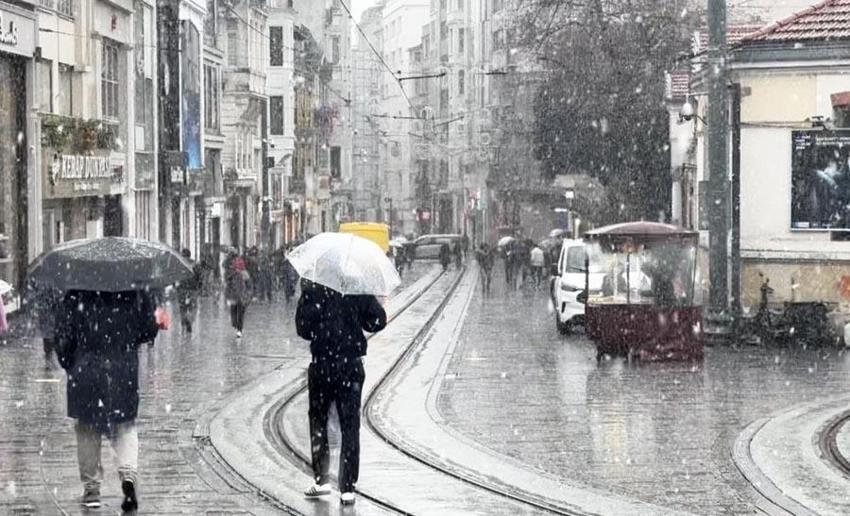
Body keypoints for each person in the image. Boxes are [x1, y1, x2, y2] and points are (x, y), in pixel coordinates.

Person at [55, 289, 167, 511]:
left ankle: (92, 489)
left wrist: (71, 363)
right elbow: (145, 331)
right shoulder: (134, 291)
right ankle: (128, 474)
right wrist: (156, 322)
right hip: (122, 369)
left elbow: (63, 337)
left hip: (85, 370)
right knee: (125, 425)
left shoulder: (75, 294)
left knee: (88, 428)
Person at [296, 280, 387, 506]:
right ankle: (347, 488)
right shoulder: (357, 286)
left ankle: (322, 480)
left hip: (322, 364)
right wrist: (357, 317)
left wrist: (320, 320)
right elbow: (378, 321)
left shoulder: (314, 287)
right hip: (351, 366)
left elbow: (302, 329)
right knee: (350, 425)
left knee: (318, 420)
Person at [225, 256, 253, 338]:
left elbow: (249, 287)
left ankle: (239, 330)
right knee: (233, 315)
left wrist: (247, 297)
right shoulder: (232, 275)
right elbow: (228, 287)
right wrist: (228, 297)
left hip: (242, 298)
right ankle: (236, 325)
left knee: (240, 315)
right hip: (233, 298)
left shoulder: (245, 275)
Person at [177, 249, 202, 333]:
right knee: (192, 307)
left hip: (182, 289)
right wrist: (199, 286)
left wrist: (175, 286)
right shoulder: (195, 264)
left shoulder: (179, 264)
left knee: (182, 307)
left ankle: (183, 321)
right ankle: (189, 321)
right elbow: (200, 276)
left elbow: (174, 276)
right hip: (193, 289)